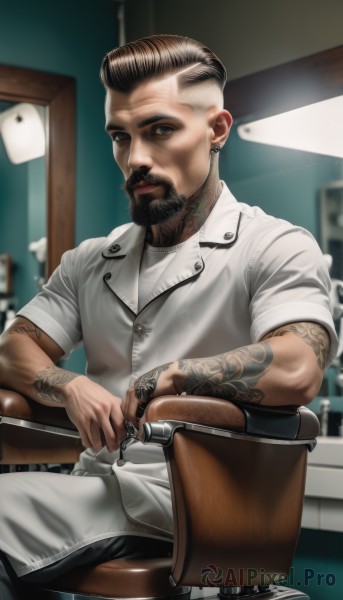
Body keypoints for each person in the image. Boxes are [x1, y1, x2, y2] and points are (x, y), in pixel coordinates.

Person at [0, 34, 338, 599]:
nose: (135, 158)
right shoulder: (90, 261)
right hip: (99, 489)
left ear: (217, 129)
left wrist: (174, 374)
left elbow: (298, 364)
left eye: (159, 130)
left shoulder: (274, 245)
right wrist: (71, 385)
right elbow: (14, 347)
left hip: (200, 504)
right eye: (119, 137)